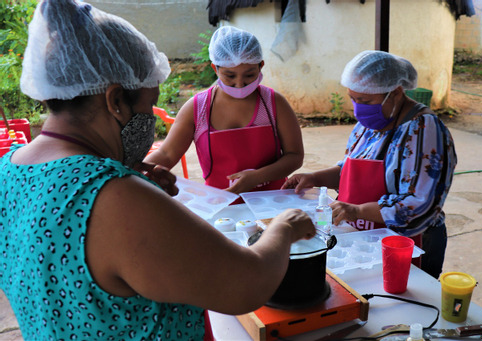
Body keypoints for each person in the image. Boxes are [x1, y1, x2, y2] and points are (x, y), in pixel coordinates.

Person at [0, 1, 316, 340]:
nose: (151, 118)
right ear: (115, 100)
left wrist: (143, 192)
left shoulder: (9, 170)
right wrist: (283, 228)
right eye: (149, 104)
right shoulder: (115, 195)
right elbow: (246, 285)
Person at [282, 50, 457, 279]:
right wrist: (315, 178)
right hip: (365, 235)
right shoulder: (370, 123)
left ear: (395, 93)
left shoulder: (424, 130)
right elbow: (350, 171)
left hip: (410, 242)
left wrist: (356, 210)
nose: (358, 108)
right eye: (353, 98)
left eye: (365, 101)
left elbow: (418, 204)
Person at [144, 26, 304, 195]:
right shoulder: (198, 109)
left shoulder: (273, 103)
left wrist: (258, 177)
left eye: (249, 75)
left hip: (272, 201)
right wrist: (134, 174)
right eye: (230, 76)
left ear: (261, 66)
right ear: (215, 69)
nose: (240, 84)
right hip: (220, 204)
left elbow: (294, 155)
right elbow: (167, 154)